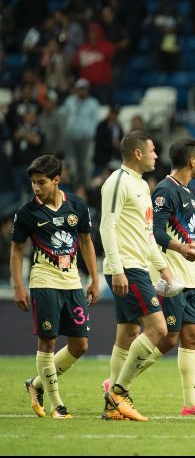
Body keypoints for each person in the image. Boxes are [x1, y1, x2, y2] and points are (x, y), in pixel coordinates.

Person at [144, 139, 195, 416]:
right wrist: (181, 248)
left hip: (189, 275)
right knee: (168, 338)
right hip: (170, 274)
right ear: (192, 160)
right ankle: (119, 381)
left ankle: (192, 404)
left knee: (192, 336)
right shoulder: (165, 191)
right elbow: (157, 232)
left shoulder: (188, 194)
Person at [13, 155, 98, 419]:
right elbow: (17, 250)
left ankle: (35, 384)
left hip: (72, 282)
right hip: (43, 281)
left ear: (57, 180)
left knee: (80, 345)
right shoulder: (27, 212)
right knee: (48, 341)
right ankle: (57, 404)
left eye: (41, 182)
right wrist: (18, 286)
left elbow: (86, 242)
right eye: (33, 183)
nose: (36, 188)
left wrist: (94, 278)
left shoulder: (77, 206)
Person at [100, 131, 175, 422]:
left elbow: (145, 234)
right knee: (158, 330)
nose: (157, 155)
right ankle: (119, 393)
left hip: (139, 266)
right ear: (138, 153)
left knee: (128, 334)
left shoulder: (142, 184)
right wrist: (117, 268)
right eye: (153, 150)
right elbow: (107, 227)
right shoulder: (117, 182)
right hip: (127, 268)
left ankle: (111, 407)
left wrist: (162, 264)